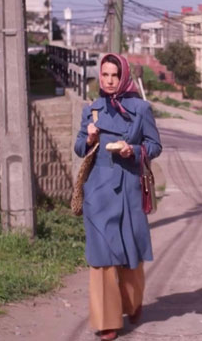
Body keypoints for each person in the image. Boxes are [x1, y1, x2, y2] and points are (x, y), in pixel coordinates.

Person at [74, 53, 162, 341]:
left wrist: (133, 151)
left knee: (130, 254)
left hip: (129, 189)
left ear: (123, 76)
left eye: (114, 75)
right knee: (100, 258)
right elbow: (77, 147)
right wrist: (88, 139)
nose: (109, 81)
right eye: (105, 75)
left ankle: (132, 302)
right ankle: (107, 320)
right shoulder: (93, 110)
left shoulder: (141, 109)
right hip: (98, 192)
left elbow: (154, 145)